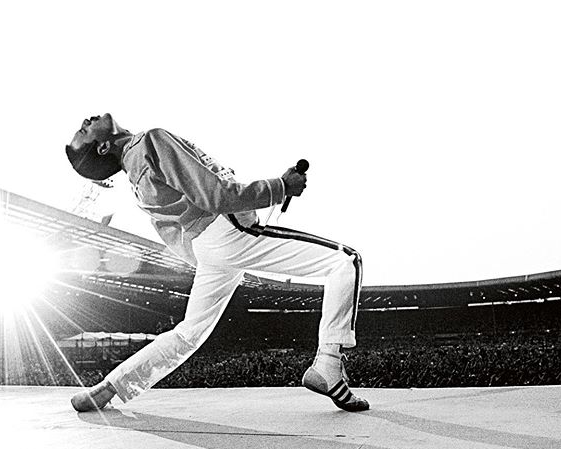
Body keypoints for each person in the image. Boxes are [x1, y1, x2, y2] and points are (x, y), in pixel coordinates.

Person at [66, 113, 368, 412]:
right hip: (225, 231)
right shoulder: (150, 141)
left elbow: (176, 229)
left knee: (187, 334)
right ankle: (329, 363)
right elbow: (215, 195)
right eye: (84, 129)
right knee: (345, 261)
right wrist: (280, 187)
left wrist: (210, 251)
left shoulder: (135, 176)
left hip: (208, 248)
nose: (87, 120)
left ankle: (109, 387)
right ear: (103, 147)